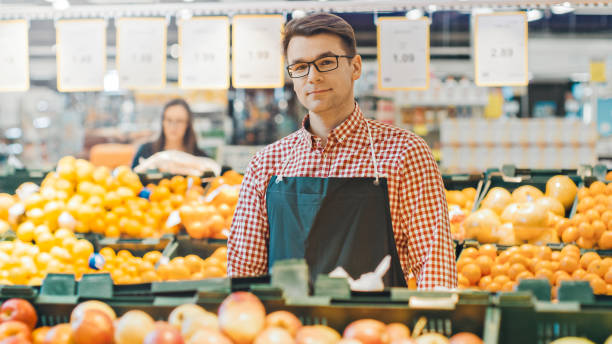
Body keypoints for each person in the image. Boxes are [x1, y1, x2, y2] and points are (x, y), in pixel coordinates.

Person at [227, 13, 456, 289]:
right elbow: (244, 273)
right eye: (300, 66)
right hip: (287, 328)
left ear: (355, 67)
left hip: (377, 327)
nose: (313, 76)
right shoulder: (267, 164)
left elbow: (434, 267)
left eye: (326, 62)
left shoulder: (405, 153)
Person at [131, 98, 207, 169]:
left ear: (187, 124)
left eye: (179, 121)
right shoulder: (145, 151)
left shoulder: (201, 158)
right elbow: (131, 179)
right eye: (169, 120)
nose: (173, 126)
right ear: (163, 122)